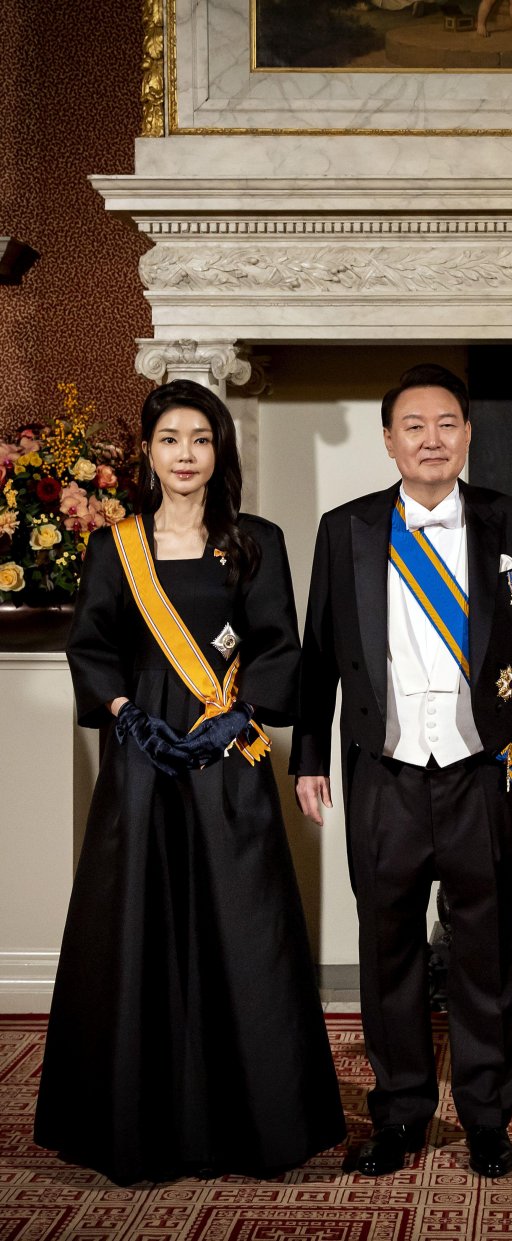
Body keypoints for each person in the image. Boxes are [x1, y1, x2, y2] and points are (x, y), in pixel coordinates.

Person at [35, 380, 345, 1186]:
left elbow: (281, 645)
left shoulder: (255, 541)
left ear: (220, 451)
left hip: (224, 759)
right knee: (142, 930)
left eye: (200, 439)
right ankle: (143, 1128)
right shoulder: (116, 547)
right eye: (170, 439)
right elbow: (92, 645)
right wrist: (125, 714)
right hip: (143, 766)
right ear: (149, 450)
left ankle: (256, 1127)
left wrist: (237, 719)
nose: (185, 455)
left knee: (242, 935)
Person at [292, 363, 512, 1179]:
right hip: (383, 771)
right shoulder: (344, 529)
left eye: (446, 424)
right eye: (413, 426)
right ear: (388, 440)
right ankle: (402, 1112)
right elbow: (318, 656)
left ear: (468, 434)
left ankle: (487, 1114)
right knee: (388, 954)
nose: (431, 439)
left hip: (480, 770)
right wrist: (311, 755)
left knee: (487, 951)